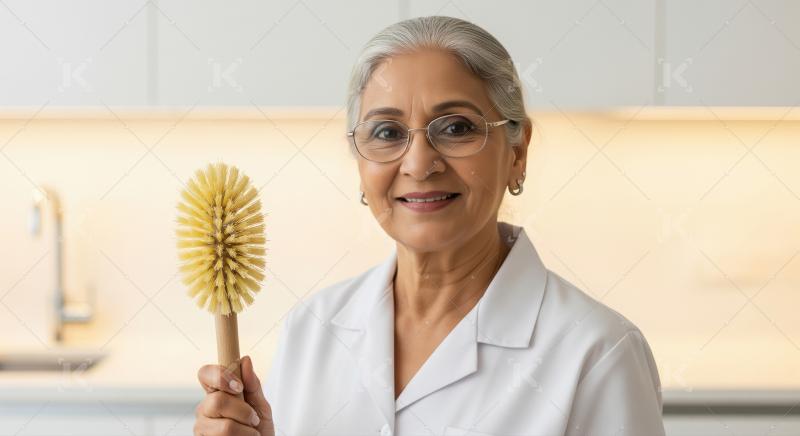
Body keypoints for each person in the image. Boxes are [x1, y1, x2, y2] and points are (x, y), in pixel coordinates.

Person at [194, 15, 665, 436]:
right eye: (387, 132)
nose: (419, 164)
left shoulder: (597, 352)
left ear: (517, 154)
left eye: (457, 127)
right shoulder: (312, 329)